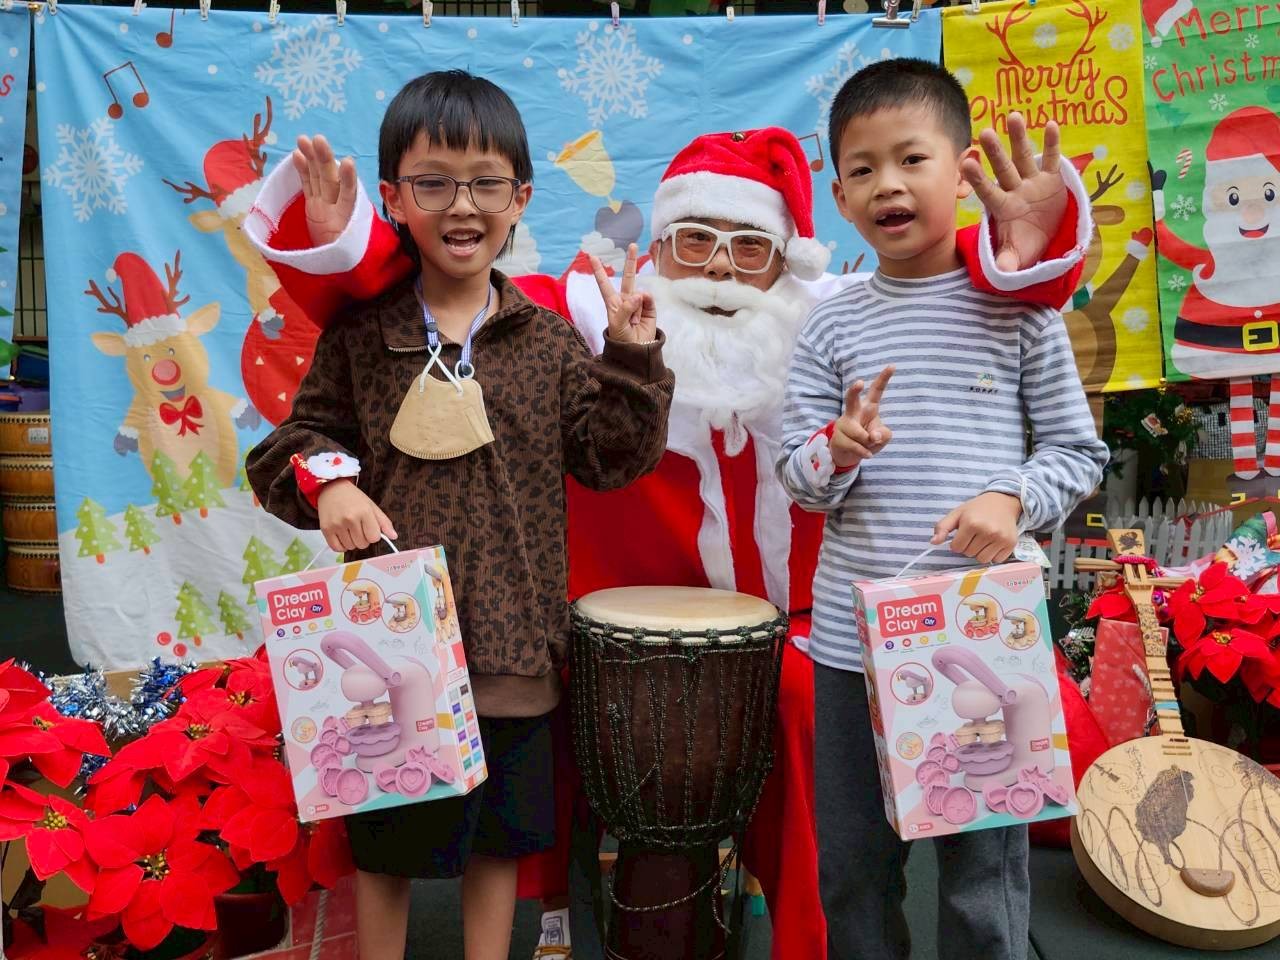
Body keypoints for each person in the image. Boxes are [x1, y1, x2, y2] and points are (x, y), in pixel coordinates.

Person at [243, 107, 1091, 960]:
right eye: (694, 242)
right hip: (418, 631)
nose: (720, 267)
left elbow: (963, 276)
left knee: (971, 866)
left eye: (749, 248)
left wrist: (1027, 250)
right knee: (389, 843)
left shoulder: (818, 321)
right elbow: (402, 281)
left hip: (817, 629)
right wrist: (332, 473)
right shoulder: (516, 319)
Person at [245, 70, 674, 960]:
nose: (462, 205)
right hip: (388, 648)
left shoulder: (547, 339)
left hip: (517, 644)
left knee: (501, 842)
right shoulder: (364, 334)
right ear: (394, 198)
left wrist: (632, 356)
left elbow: (610, 460)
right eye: (434, 183)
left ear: (521, 198)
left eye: (485, 182)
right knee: (385, 847)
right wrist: (332, 484)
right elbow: (289, 444)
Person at [775, 58, 1108, 960]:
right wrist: (838, 448)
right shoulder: (831, 323)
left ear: (962, 173)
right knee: (853, 867)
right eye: (862, 168)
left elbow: (1078, 452)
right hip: (850, 649)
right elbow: (796, 476)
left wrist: (1011, 496)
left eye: (910, 158)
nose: (887, 184)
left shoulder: (1019, 310)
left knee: (980, 876)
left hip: (981, 637)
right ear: (840, 198)